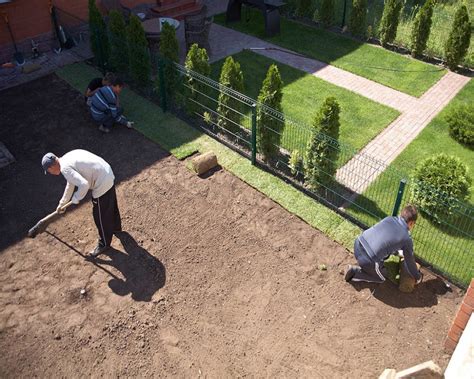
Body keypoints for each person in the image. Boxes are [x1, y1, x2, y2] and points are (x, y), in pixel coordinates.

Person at [41, 150, 122, 257]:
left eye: (49, 171)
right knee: (110, 203)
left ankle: (104, 244)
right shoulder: (66, 158)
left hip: (101, 182)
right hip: (107, 172)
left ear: (51, 168)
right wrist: (62, 203)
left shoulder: (65, 169)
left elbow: (84, 185)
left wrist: (76, 198)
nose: (51, 173)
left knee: (100, 216)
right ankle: (116, 227)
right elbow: (71, 183)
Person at [345, 204, 422, 284]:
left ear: (401, 214)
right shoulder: (406, 238)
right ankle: (354, 273)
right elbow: (409, 261)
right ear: (411, 223)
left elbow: (385, 241)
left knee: (383, 255)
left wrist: (398, 253)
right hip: (368, 259)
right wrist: (417, 277)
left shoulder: (389, 219)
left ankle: (365, 265)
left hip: (358, 244)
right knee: (382, 277)